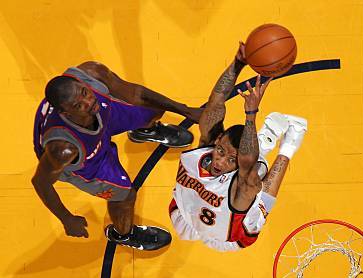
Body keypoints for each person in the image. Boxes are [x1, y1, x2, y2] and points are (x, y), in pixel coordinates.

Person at [32, 62, 202, 250]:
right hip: (87, 159)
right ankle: (123, 234)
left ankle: (145, 131)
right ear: (65, 112)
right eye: (78, 105)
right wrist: (66, 219)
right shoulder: (63, 149)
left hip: (102, 120)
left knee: (153, 107)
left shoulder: (91, 73)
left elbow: (137, 94)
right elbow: (41, 183)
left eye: (84, 93)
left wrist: (186, 110)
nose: (88, 102)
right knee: (125, 196)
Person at [169, 44, 307, 251]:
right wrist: (237, 64)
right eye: (221, 151)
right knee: (250, 161)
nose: (220, 161)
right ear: (217, 141)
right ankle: (262, 141)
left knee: (257, 181)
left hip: (228, 238)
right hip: (184, 214)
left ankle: (289, 142)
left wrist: (251, 114)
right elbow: (215, 103)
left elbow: (248, 163)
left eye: (231, 160)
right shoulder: (207, 146)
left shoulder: (242, 187)